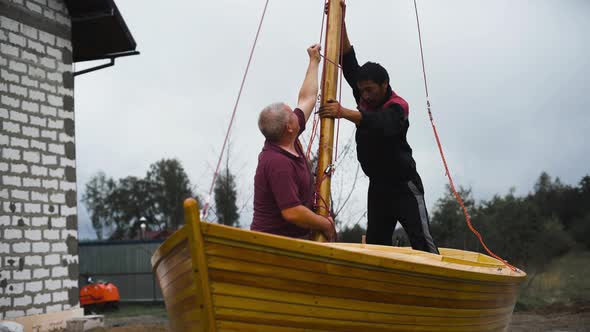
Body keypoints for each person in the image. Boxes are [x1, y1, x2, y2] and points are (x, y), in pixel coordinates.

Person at [318, 2, 438, 253]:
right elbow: (347, 58)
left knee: (422, 243)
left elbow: (383, 126)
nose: (365, 95)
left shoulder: (398, 106)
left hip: (404, 185)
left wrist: (343, 112)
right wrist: (340, 20)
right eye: (362, 90)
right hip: (378, 187)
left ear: (385, 85)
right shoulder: (364, 96)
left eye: (370, 90)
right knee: (376, 247)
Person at [251, 44, 336, 241]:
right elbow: (292, 212)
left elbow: (306, 97)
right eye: (292, 113)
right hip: (272, 244)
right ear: (289, 127)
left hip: (290, 244)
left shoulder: (288, 138)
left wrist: (314, 61)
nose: (296, 112)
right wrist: (325, 224)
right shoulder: (277, 162)